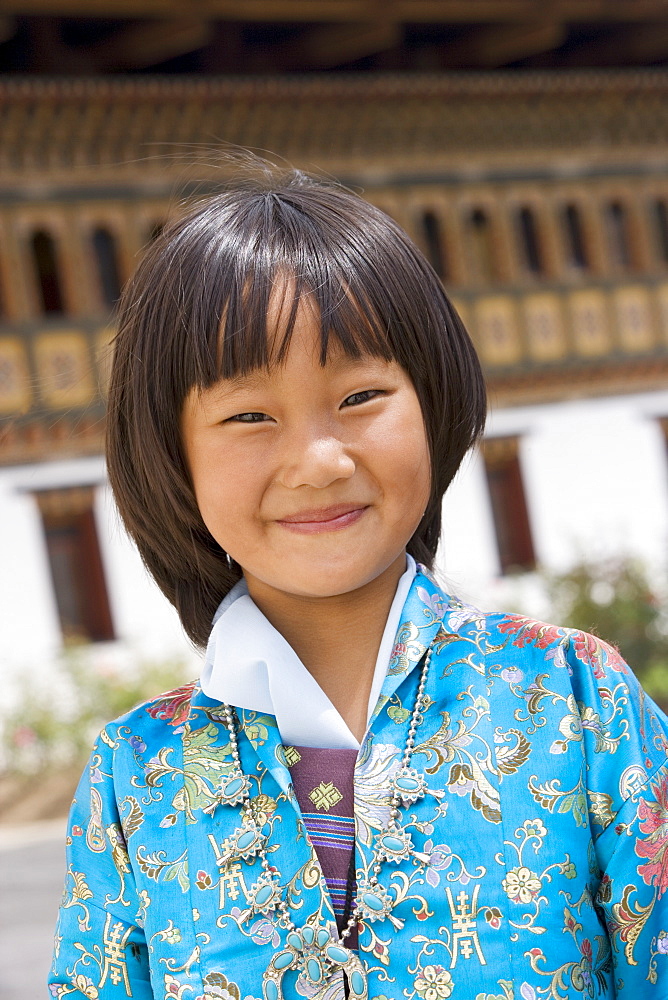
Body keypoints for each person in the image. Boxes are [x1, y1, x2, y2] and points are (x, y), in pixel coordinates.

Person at [49, 162, 668, 1000]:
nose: (319, 461)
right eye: (249, 416)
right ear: (172, 457)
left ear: (433, 401)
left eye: (362, 395)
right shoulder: (137, 775)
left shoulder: (573, 700)